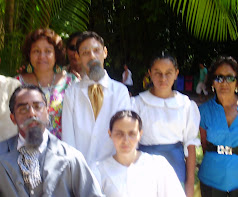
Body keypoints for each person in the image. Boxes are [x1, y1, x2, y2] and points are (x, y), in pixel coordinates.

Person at [0, 85, 103, 197]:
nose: (32, 114)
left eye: (37, 106)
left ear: (48, 112)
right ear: (13, 118)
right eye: (23, 109)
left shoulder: (71, 158)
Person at [132, 53, 200, 197]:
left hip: (176, 168)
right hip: (144, 168)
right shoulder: (137, 103)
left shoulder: (186, 105)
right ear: (150, 74)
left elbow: (190, 145)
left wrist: (189, 185)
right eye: (158, 73)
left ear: (176, 74)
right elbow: (131, 142)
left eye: (168, 73)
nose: (163, 78)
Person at [62, 31, 131, 166]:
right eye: (85, 52)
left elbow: (124, 132)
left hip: (113, 170)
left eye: (96, 50)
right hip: (81, 171)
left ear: (105, 52)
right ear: (78, 57)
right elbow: (68, 139)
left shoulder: (120, 91)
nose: (92, 56)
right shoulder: (72, 92)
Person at [91, 110, 185, 197]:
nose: (125, 140)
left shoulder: (158, 166)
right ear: (110, 134)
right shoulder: (99, 171)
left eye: (132, 134)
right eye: (119, 133)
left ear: (140, 134)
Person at [16, 28, 76, 139]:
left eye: (48, 51)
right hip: (27, 148)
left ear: (56, 54)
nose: (42, 56)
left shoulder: (70, 82)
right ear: (29, 54)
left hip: (63, 150)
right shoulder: (17, 84)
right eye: (36, 51)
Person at [198, 56, 238, 196]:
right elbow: (204, 145)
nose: (224, 82)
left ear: (237, 82)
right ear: (212, 82)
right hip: (211, 178)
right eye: (219, 77)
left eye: (230, 77)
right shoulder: (203, 111)